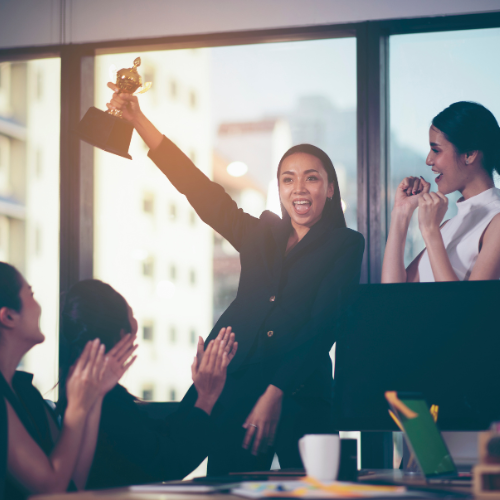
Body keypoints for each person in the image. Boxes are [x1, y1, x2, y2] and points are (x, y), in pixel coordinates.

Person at [106, 83, 365, 475]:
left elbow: (324, 325)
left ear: (330, 189)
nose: (299, 188)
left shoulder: (346, 245)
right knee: (227, 488)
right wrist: (140, 122)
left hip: (301, 392)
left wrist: (275, 393)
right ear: (278, 189)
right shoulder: (260, 233)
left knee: (322, 489)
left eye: (312, 178)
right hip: (234, 383)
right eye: (288, 179)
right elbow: (201, 191)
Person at [58, 279, 237, 489]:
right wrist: (206, 398)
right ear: (123, 333)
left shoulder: (94, 393)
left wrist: (203, 392)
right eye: (131, 314)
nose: (136, 322)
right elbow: (168, 463)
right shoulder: (106, 402)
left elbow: (163, 437)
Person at [0, 263, 135, 499]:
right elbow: (49, 491)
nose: (39, 307)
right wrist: (76, 408)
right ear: (9, 316)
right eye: (31, 295)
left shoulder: (27, 394)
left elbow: (73, 485)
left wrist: (95, 396)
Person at [382, 101, 500, 283]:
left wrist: (430, 232)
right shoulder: (448, 225)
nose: (428, 160)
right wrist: (402, 212)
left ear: (469, 154)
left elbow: (469, 309)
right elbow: (393, 292)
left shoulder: (496, 221)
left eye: (436, 150)